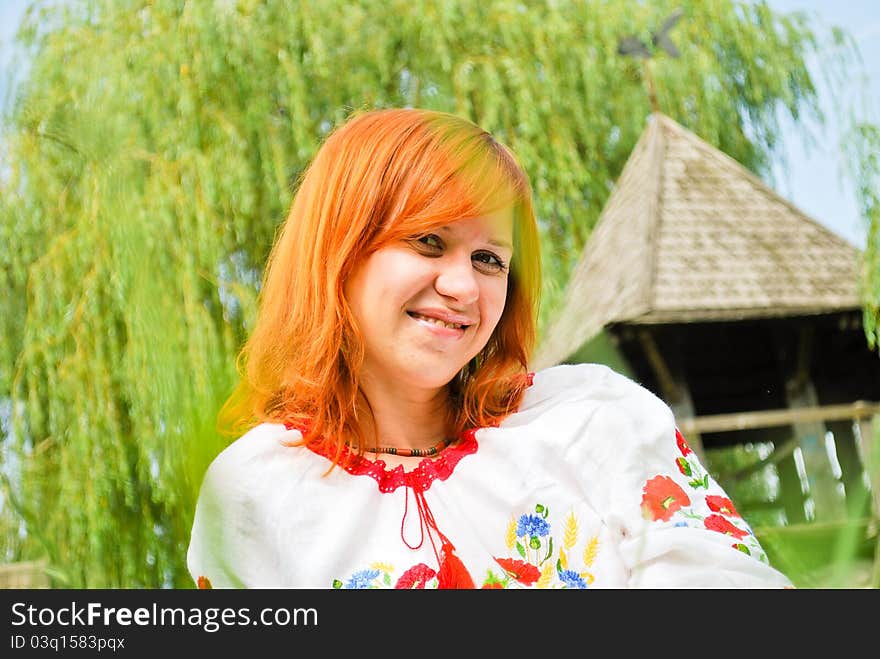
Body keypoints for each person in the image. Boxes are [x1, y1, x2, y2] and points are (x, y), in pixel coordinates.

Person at [187, 107, 793, 589]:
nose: (462, 287)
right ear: (339, 253)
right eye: (428, 241)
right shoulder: (255, 494)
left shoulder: (591, 420)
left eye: (489, 259)